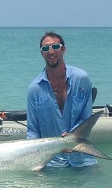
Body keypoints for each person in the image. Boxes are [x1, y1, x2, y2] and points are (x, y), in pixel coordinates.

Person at [26, 31, 97, 167]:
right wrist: (33, 157)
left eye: (55, 46)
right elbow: (32, 130)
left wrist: (70, 139)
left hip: (83, 161)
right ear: (42, 53)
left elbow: (86, 117)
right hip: (51, 164)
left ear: (63, 49)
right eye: (45, 48)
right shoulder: (34, 89)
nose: (51, 51)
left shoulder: (82, 79)